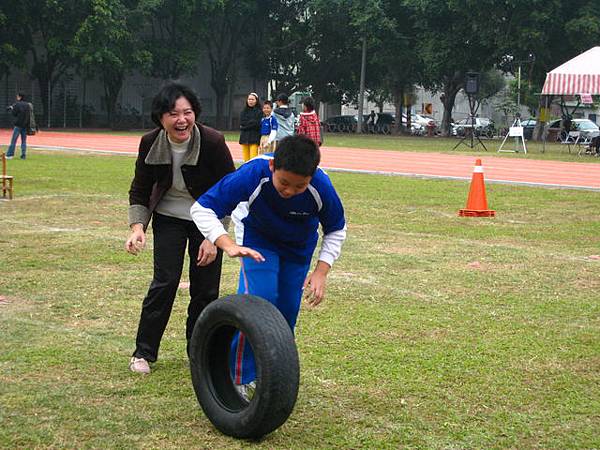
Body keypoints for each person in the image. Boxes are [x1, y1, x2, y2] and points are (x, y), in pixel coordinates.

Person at [190, 135, 346, 397]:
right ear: (273, 166)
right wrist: (227, 244)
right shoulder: (253, 173)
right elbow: (202, 208)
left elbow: (336, 229)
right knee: (258, 305)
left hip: (298, 249)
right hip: (258, 243)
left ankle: (273, 378)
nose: (290, 191)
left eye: (300, 186)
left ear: (312, 176)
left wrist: (321, 272)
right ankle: (237, 377)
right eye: (284, 183)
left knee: (285, 313)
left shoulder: (321, 186)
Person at [125, 82, 235, 374]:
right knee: (164, 283)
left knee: (205, 289)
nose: (181, 120)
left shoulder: (212, 141)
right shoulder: (150, 142)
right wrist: (138, 227)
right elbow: (140, 189)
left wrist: (215, 237)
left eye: (187, 112)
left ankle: (200, 353)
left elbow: (230, 190)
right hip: (169, 218)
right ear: (161, 117)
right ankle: (143, 352)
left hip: (207, 221)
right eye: (173, 113)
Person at [5, 93, 33, 160]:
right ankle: (23, 155)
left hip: (18, 125)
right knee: (23, 141)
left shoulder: (17, 104)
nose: (17, 97)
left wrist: (12, 109)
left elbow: (14, 114)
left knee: (13, 140)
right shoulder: (28, 105)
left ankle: (10, 155)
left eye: (17, 96)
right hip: (25, 125)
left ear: (20, 97)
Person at [239, 92, 262, 162]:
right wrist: (251, 123)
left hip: (254, 138)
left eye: (252, 99)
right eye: (249, 99)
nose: (250, 101)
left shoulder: (259, 112)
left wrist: (245, 126)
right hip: (244, 138)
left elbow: (257, 124)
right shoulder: (243, 111)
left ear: (256, 101)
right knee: (246, 161)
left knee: (253, 160)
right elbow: (242, 123)